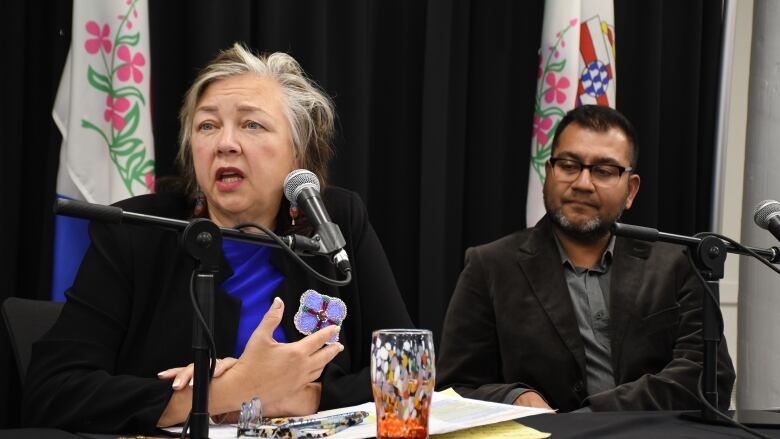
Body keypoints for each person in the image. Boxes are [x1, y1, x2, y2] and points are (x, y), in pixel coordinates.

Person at [22, 43, 413, 434]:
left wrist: (307, 397)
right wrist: (227, 392)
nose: (225, 143)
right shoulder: (136, 231)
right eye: (207, 125)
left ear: (298, 151)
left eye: (251, 124)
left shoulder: (334, 221)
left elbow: (407, 369)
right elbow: (52, 391)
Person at [436, 105, 735, 412]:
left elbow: (710, 375)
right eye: (568, 166)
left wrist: (593, 417)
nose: (582, 183)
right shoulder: (490, 266)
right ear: (548, 173)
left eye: (604, 171)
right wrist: (511, 397)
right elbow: (454, 389)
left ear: (631, 190)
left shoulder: (676, 264)